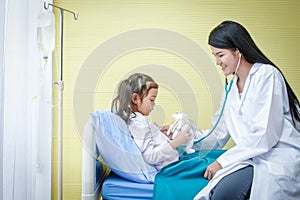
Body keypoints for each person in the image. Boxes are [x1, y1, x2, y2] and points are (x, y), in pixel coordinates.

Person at [193, 20, 300, 200]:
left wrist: (223, 161)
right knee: (219, 192)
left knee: (225, 194)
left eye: (220, 55)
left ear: (238, 51)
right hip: (249, 157)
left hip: (276, 157)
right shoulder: (231, 88)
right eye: (214, 56)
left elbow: (265, 134)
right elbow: (218, 134)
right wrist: (184, 138)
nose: (217, 62)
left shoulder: (267, 75)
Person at [111, 73, 191, 171]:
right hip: (170, 170)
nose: (154, 104)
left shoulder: (135, 120)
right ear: (135, 98)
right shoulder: (139, 123)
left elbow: (149, 141)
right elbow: (150, 157)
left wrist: (159, 133)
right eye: (152, 99)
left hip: (172, 165)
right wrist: (176, 142)